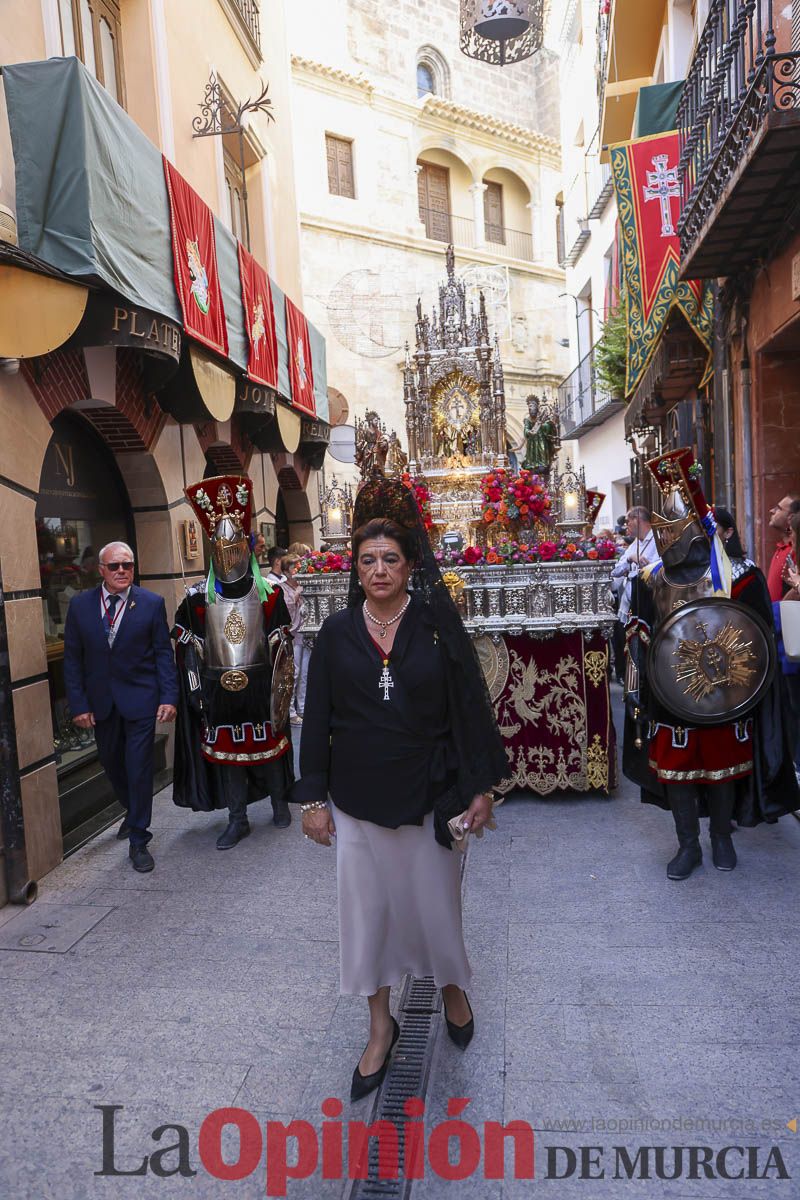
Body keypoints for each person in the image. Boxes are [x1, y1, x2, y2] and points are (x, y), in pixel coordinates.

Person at [295, 473, 508, 1102]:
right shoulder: (335, 634)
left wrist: (480, 787)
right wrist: (313, 799)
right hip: (357, 802)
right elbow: (317, 717)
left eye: (390, 559)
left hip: (428, 796)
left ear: (412, 564)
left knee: (433, 910)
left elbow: (470, 711)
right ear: (354, 569)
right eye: (367, 561)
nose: (379, 569)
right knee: (369, 918)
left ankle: (451, 990)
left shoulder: (438, 627)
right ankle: (379, 1027)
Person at [623, 449, 799, 880]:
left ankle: (722, 836)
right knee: (678, 767)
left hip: (726, 692)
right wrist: (638, 666)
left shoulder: (739, 574)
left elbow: (758, 636)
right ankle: (687, 846)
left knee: (724, 765)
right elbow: (638, 628)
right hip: (671, 693)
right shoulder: (653, 579)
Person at [171, 476, 294, 848]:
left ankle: (279, 803)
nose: (228, 554)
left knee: (269, 747)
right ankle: (237, 819)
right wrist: (195, 689)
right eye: (220, 547)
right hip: (217, 687)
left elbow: (282, 650)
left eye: (233, 546)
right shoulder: (196, 599)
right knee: (229, 753)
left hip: (260, 685)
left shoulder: (269, 595)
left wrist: (280, 693)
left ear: (245, 547)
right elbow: (186, 645)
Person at [63, 541, 178, 872]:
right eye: (114, 566)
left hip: (141, 701)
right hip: (101, 705)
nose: (122, 571)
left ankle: (139, 838)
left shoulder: (151, 603)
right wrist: (78, 704)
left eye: (127, 565)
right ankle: (132, 810)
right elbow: (72, 660)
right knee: (113, 764)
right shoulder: (81, 606)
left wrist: (169, 697)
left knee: (139, 767)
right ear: (101, 570)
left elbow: (162, 654)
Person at [610, 507, 658, 684]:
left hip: (649, 605)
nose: (626, 526)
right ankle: (632, 680)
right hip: (629, 604)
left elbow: (658, 569)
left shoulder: (657, 541)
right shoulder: (634, 544)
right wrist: (630, 559)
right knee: (629, 645)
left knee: (645, 647)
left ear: (638, 519)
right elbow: (616, 571)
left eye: (628, 521)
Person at [279, 553, 308, 724]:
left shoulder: (304, 585)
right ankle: (290, 711)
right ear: (286, 571)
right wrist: (295, 597)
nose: (298, 570)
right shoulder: (282, 588)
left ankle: (303, 707)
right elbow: (286, 612)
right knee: (293, 673)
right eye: (294, 567)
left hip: (305, 634)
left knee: (305, 672)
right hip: (292, 636)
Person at [766, 493, 800, 601]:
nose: (771, 511)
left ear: (790, 518)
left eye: (779, 508)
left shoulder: (795, 550)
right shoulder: (781, 548)